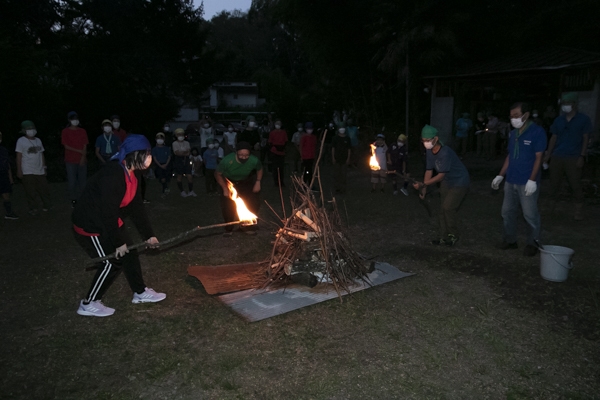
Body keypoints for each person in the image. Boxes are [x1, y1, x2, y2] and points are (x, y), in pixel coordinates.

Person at [72, 134, 166, 317]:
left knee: (129, 254)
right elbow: (106, 212)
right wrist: (117, 242)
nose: (149, 158)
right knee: (111, 262)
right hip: (91, 225)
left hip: (110, 220)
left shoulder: (133, 174)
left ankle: (140, 293)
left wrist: (149, 235)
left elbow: (137, 208)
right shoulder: (113, 174)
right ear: (133, 154)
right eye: (145, 153)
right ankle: (88, 302)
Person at [492, 102, 546, 257]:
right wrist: (500, 175)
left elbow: (538, 158)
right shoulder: (514, 133)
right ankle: (510, 240)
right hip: (511, 179)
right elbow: (510, 155)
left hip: (527, 180)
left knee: (530, 214)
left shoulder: (537, 132)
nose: (513, 119)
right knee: (507, 212)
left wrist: (532, 180)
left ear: (526, 115)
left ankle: (533, 242)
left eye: (516, 116)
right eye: (511, 116)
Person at [413, 125, 470, 246]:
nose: (425, 143)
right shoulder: (429, 151)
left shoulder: (445, 152)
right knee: (442, 209)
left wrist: (423, 184)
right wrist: (423, 189)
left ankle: (453, 235)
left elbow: (440, 176)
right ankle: (443, 236)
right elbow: (429, 171)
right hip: (447, 181)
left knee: (448, 207)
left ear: (436, 139)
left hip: (460, 181)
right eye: (423, 140)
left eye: (428, 140)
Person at [544, 92, 593, 220]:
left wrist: (582, 156)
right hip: (557, 156)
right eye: (564, 104)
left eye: (568, 103)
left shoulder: (583, 119)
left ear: (574, 104)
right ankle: (550, 209)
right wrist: (548, 155)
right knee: (554, 183)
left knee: (575, 184)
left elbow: (585, 138)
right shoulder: (559, 120)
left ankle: (578, 211)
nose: (565, 106)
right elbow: (553, 138)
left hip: (573, 157)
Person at [215, 142, 263, 236]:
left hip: (246, 182)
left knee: (252, 203)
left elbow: (259, 169)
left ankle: (247, 226)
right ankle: (229, 228)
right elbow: (217, 174)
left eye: (246, 155)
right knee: (228, 206)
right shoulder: (227, 160)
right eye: (241, 155)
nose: (244, 157)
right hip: (229, 182)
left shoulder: (254, 160)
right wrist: (225, 188)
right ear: (236, 153)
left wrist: (258, 182)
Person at [15, 120, 52, 215]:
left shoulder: (38, 140)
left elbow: (41, 154)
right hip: (27, 170)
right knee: (30, 190)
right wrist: (19, 170)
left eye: (32, 128)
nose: (31, 130)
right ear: (24, 130)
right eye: (28, 129)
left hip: (39, 169)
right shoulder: (21, 141)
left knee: (44, 189)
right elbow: (19, 156)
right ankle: (33, 208)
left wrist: (44, 167)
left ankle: (47, 205)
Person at [61, 111, 89, 207]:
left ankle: (83, 199)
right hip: (70, 161)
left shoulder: (82, 131)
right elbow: (66, 146)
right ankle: (73, 199)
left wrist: (83, 157)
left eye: (76, 119)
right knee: (72, 182)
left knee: (83, 182)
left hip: (81, 160)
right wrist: (79, 151)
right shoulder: (65, 131)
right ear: (69, 120)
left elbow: (85, 145)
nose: (75, 121)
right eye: (73, 119)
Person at [172, 128, 196, 197]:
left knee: (189, 176)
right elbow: (177, 153)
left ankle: (191, 190)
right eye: (179, 134)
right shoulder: (174, 143)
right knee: (179, 175)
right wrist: (184, 152)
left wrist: (182, 153)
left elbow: (188, 152)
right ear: (176, 135)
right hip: (179, 160)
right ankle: (182, 191)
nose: (180, 136)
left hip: (186, 160)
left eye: (182, 134)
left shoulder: (187, 143)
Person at [0, 131, 18, 219]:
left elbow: (7, 164)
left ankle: (9, 213)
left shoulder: (3, 150)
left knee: (6, 194)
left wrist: (10, 177)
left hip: (3, 174)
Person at [331, 123, 352, 194]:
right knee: (337, 174)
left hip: (344, 159)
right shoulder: (335, 138)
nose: (342, 129)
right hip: (337, 158)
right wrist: (333, 157)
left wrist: (348, 158)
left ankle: (343, 189)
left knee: (344, 174)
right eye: (340, 128)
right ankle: (337, 188)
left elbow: (349, 149)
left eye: (343, 127)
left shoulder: (347, 138)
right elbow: (333, 149)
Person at [268, 119, 287, 186]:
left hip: (281, 151)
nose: (278, 125)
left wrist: (283, 148)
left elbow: (285, 141)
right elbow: (270, 142)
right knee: (275, 167)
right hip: (274, 151)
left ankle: (281, 181)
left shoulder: (283, 132)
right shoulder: (272, 133)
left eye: (279, 124)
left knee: (281, 168)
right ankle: (276, 182)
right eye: (277, 123)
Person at [151, 132, 171, 196]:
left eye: (161, 138)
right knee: (162, 178)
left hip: (166, 164)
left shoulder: (166, 148)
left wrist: (166, 164)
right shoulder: (154, 149)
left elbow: (169, 157)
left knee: (166, 177)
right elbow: (154, 158)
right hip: (159, 165)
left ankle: (165, 189)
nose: (160, 140)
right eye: (158, 138)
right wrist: (160, 165)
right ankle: (165, 189)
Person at [300, 122, 317, 186]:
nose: (309, 130)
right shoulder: (304, 137)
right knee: (306, 171)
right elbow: (301, 147)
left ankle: (310, 183)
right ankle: (304, 183)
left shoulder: (314, 137)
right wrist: (301, 156)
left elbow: (315, 147)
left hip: (311, 156)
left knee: (310, 171)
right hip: (305, 157)